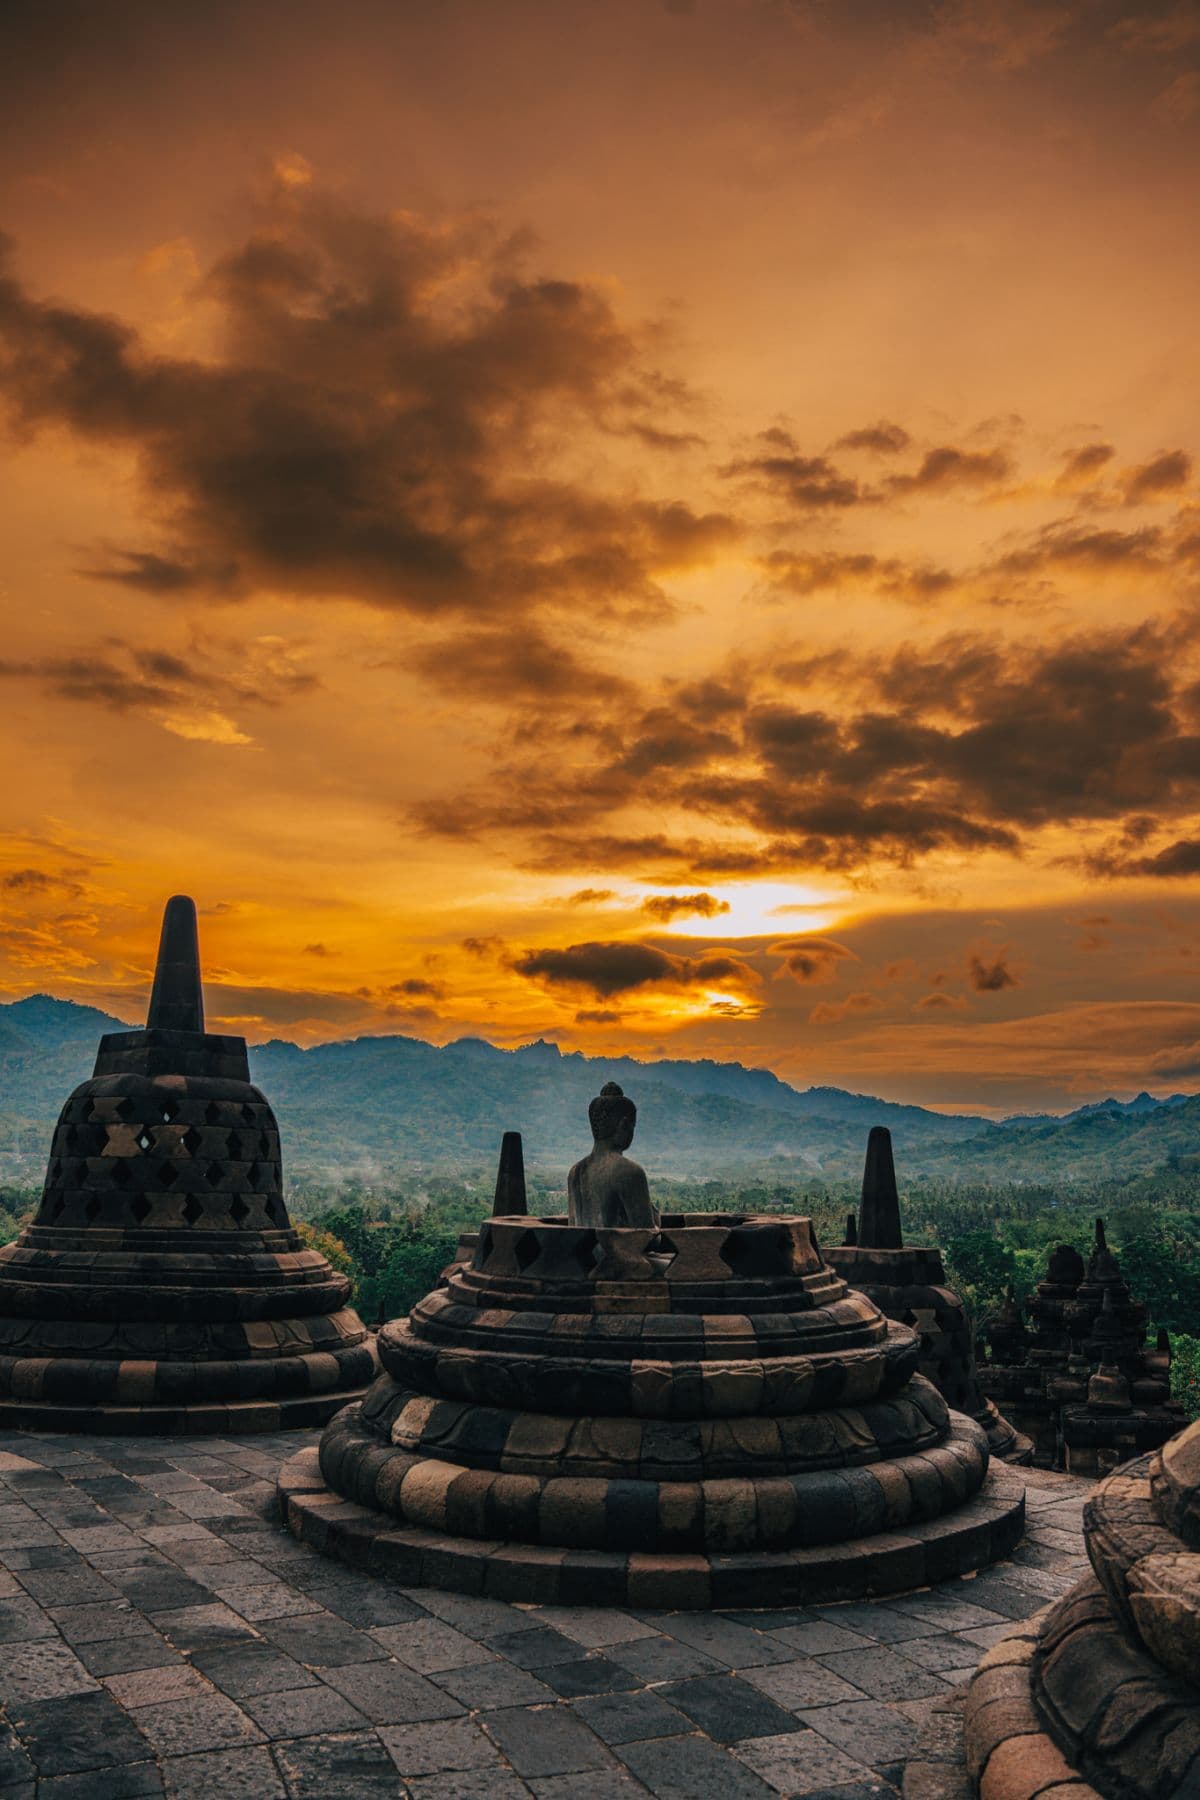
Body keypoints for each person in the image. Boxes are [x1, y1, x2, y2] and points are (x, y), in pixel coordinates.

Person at [567, 1081, 658, 1229]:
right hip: (617, 1252)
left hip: (581, 1252)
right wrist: (656, 1221)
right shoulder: (628, 1172)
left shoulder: (575, 1172)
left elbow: (572, 1230)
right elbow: (647, 1239)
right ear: (624, 1125)